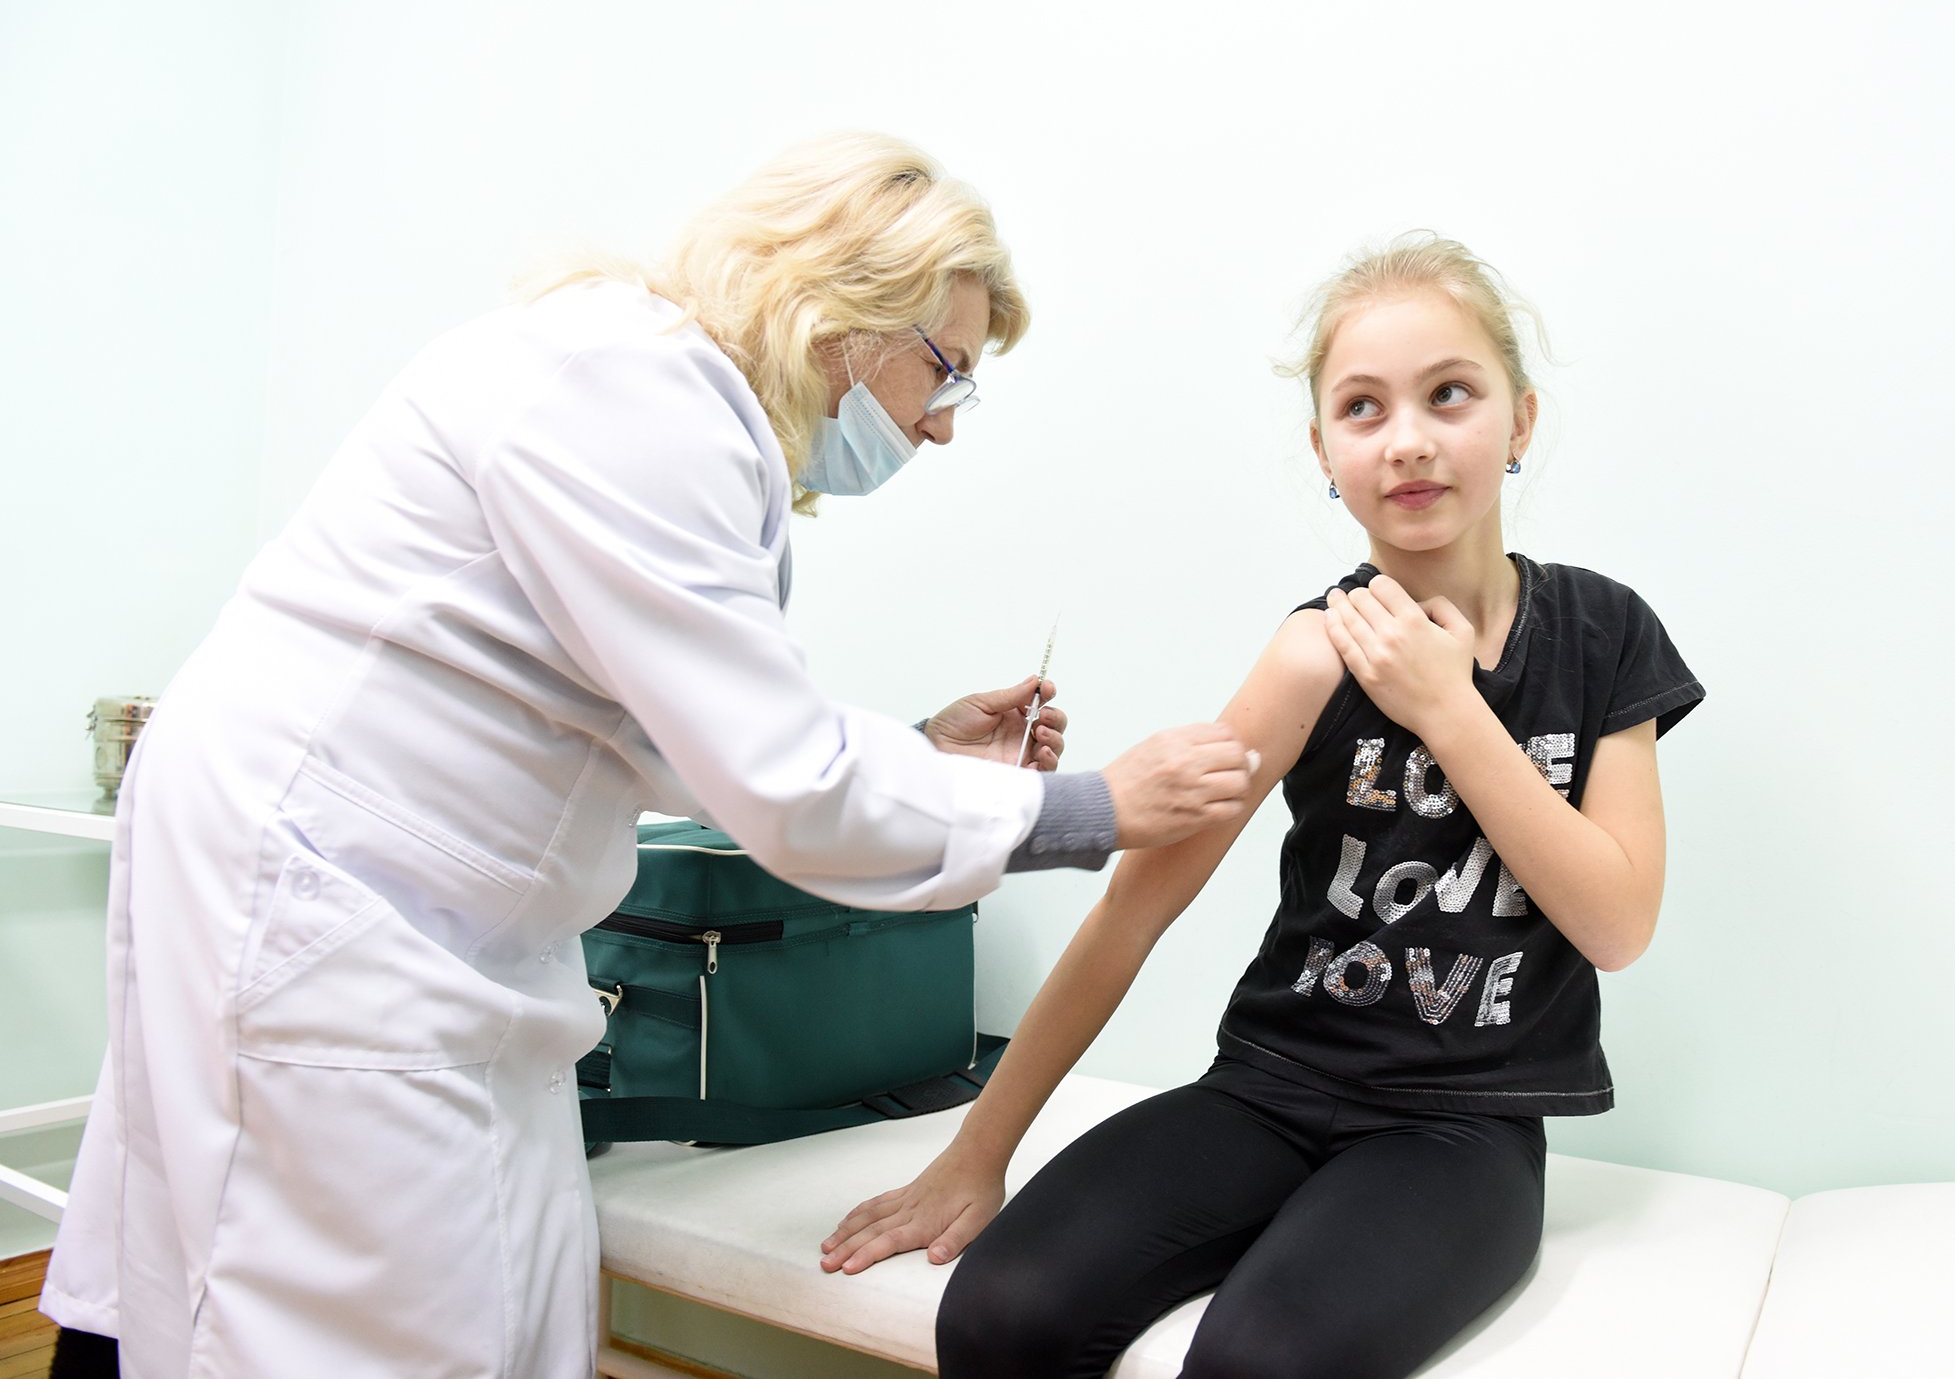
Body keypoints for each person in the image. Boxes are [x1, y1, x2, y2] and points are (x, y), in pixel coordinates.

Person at [38, 133, 1257, 1379]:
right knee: (343, 1304)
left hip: (380, 881)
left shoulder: (651, 398)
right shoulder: (629, 394)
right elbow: (777, 778)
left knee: (284, 1256)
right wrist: (1092, 808)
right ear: (840, 309)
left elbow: (679, 733)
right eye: (945, 373)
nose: (941, 428)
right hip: (338, 897)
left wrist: (919, 753)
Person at [822, 234, 1705, 1379]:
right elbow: (1135, 908)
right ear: (1325, 450)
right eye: (1363, 407)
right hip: (1269, 1089)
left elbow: (1617, 925)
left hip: (1461, 1128)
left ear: (1520, 421)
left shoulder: (1603, 635)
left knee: (1262, 1364)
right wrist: (975, 1153)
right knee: (997, 1313)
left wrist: (1449, 710)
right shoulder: (1310, 657)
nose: (1409, 440)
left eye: (1449, 393)